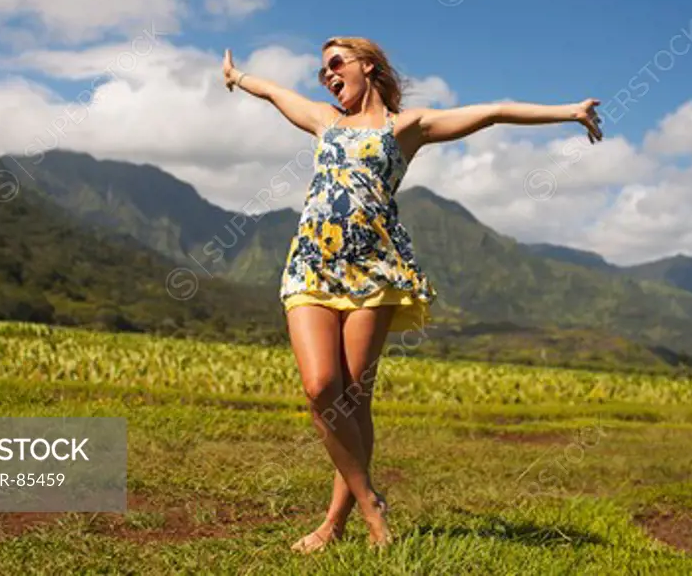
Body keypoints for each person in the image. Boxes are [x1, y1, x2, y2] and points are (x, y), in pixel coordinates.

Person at [222, 36, 603, 552]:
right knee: (320, 388)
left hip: (374, 270)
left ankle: (335, 523)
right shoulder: (323, 120)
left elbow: (491, 113)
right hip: (312, 266)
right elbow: (270, 91)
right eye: (322, 72)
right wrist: (238, 78)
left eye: (336, 64)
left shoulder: (406, 127)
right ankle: (372, 502)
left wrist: (568, 111)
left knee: (355, 397)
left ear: (368, 65)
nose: (328, 75)